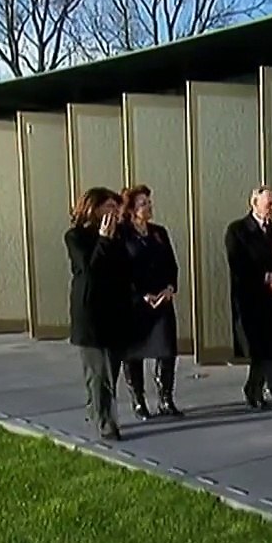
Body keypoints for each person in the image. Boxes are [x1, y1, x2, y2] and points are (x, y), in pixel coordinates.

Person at [65, 187, 132, 441]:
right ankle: (106, 423)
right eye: (109, 207)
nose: (114, 212)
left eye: (116, 208)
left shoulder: (121, 235)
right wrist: (103, 239)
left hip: (116, 312)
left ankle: (98, 410)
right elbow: (89, 269)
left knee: (110, 370)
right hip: (91, 313)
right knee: (98, 372)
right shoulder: (76, 237)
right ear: (94, 208)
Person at [225, 185, 272, 413]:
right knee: (267, 350)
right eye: (269, 204)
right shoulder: (238, 231)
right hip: (251, 303)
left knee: (265, 349)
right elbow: (239, 265)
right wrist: (267, 277)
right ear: (254, 203)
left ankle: (253, 390)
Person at [118, 184, 183, 420]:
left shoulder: (158, 232)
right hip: (136, 303)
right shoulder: (122, 234)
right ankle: (138, 401)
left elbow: (171, 265)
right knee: (134, 353)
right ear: (132, 209)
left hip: (162, 301)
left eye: (149, 202)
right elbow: (120, 271)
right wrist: (141, 295)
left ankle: (166, 398)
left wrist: (169, 288)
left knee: (167, 351)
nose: (148, 206)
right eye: (143, 203)